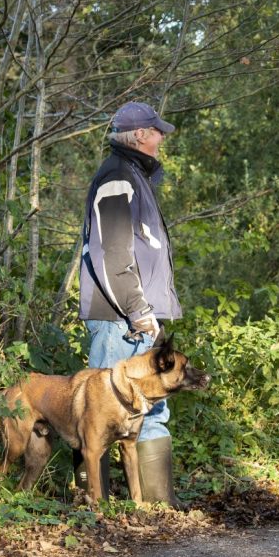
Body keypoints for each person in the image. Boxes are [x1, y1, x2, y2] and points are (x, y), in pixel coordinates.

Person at [78, 100, 184, 505]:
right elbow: (111, 252)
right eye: (157, 131)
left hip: (142, 318)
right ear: (140, 136)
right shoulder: (117, 177)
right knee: (99, 415)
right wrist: (138, 309)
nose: (161, 138)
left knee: (154, 409)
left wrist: (150, 313)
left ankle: (159, 506)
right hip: (119, 319)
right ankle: (96, 505)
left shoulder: (135, 177)